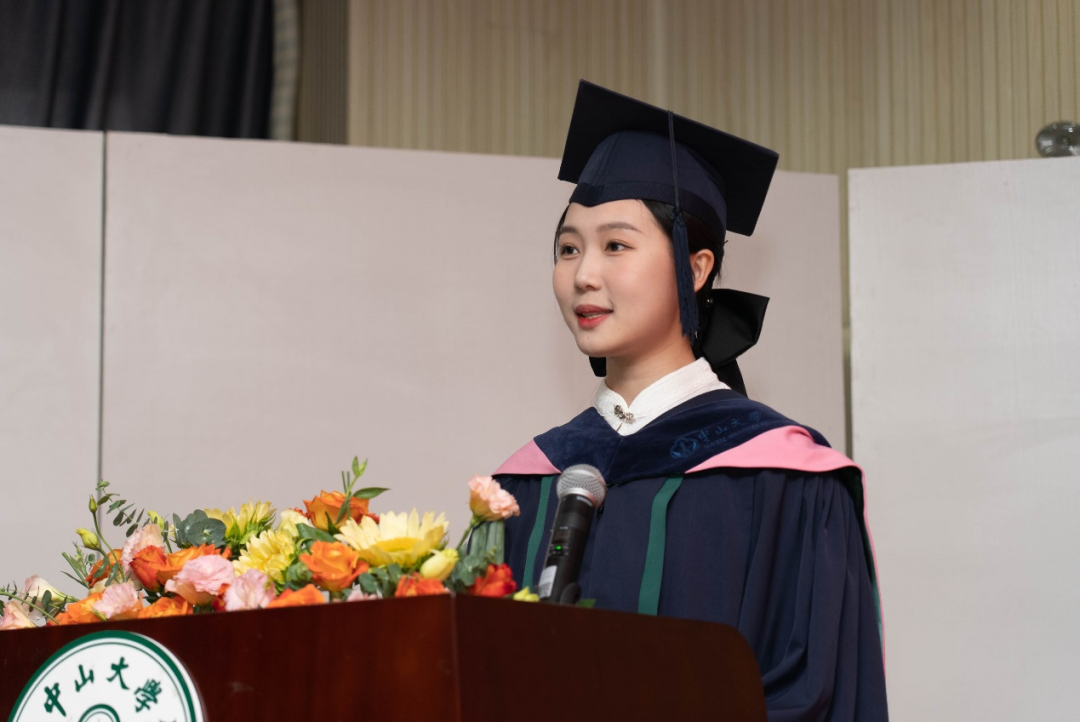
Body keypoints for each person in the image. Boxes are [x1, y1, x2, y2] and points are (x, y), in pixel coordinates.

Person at [493, 81, 888, 721]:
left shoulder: (785, 479)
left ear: (696, 268)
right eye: (568, 248)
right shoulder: (528, 484)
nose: (583, 274)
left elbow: (816, 693)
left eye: (616, 245)